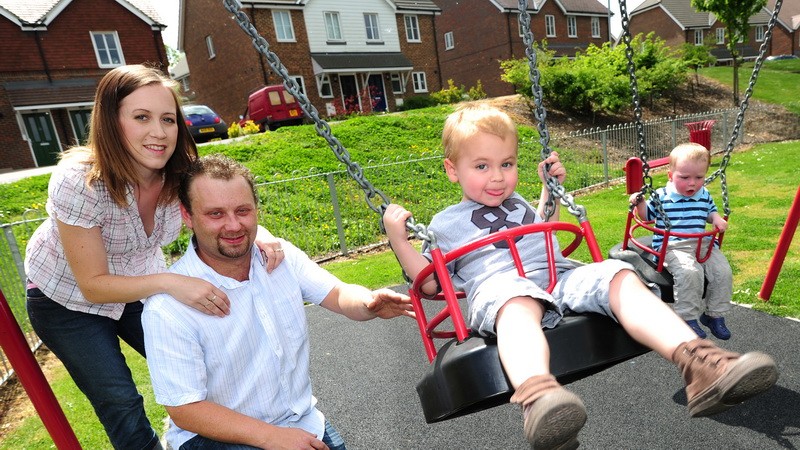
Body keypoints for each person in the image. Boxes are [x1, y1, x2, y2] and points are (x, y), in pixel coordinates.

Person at [382, 104, 778, 450]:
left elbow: (546, 232)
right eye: (482, 166)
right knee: (516, 301)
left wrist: (550, 190)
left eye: (507, 164)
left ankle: (699, 363)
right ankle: (540, 399)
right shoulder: (444, 224)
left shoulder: (519, 203)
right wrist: (399, 240)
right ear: (452, 170)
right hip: (501, 289)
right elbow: (431, 283)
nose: (498, 177)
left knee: (618, 274)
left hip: (557, 276)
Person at [23, 65, 284, 450]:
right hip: (67, 300)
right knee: (121, 402)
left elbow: (221, 207)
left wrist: (263, 234)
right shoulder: (80, 181)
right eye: (141, 117)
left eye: (168, 119)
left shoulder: (180, 173)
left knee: (208, 369)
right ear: (111, 121)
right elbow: (93, 286)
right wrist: (172, 283)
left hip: (138, 282)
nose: (159, 132)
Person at [142, 154, 415, 450]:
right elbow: (185, 409)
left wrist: (368, 302)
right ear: (187, 216)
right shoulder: (168, 307)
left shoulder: (281, 257)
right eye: (215, 214)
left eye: (243, 211)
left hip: (300, 422)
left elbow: (337, 293)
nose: (233, 225)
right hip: (216, 438)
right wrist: (271, 437)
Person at [629, 143, 733, 340]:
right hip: (673, 245)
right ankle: (687, 318)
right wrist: (640, 202)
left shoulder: (704, 194)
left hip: (701, 243)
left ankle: (714, 315)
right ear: (670, 176)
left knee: (723, 272)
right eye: (684, 178)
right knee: (690, 272)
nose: (692, 183)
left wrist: (717, 218)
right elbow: (646, 216)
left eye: (699, 177)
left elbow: (710, 212)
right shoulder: (661, 195)